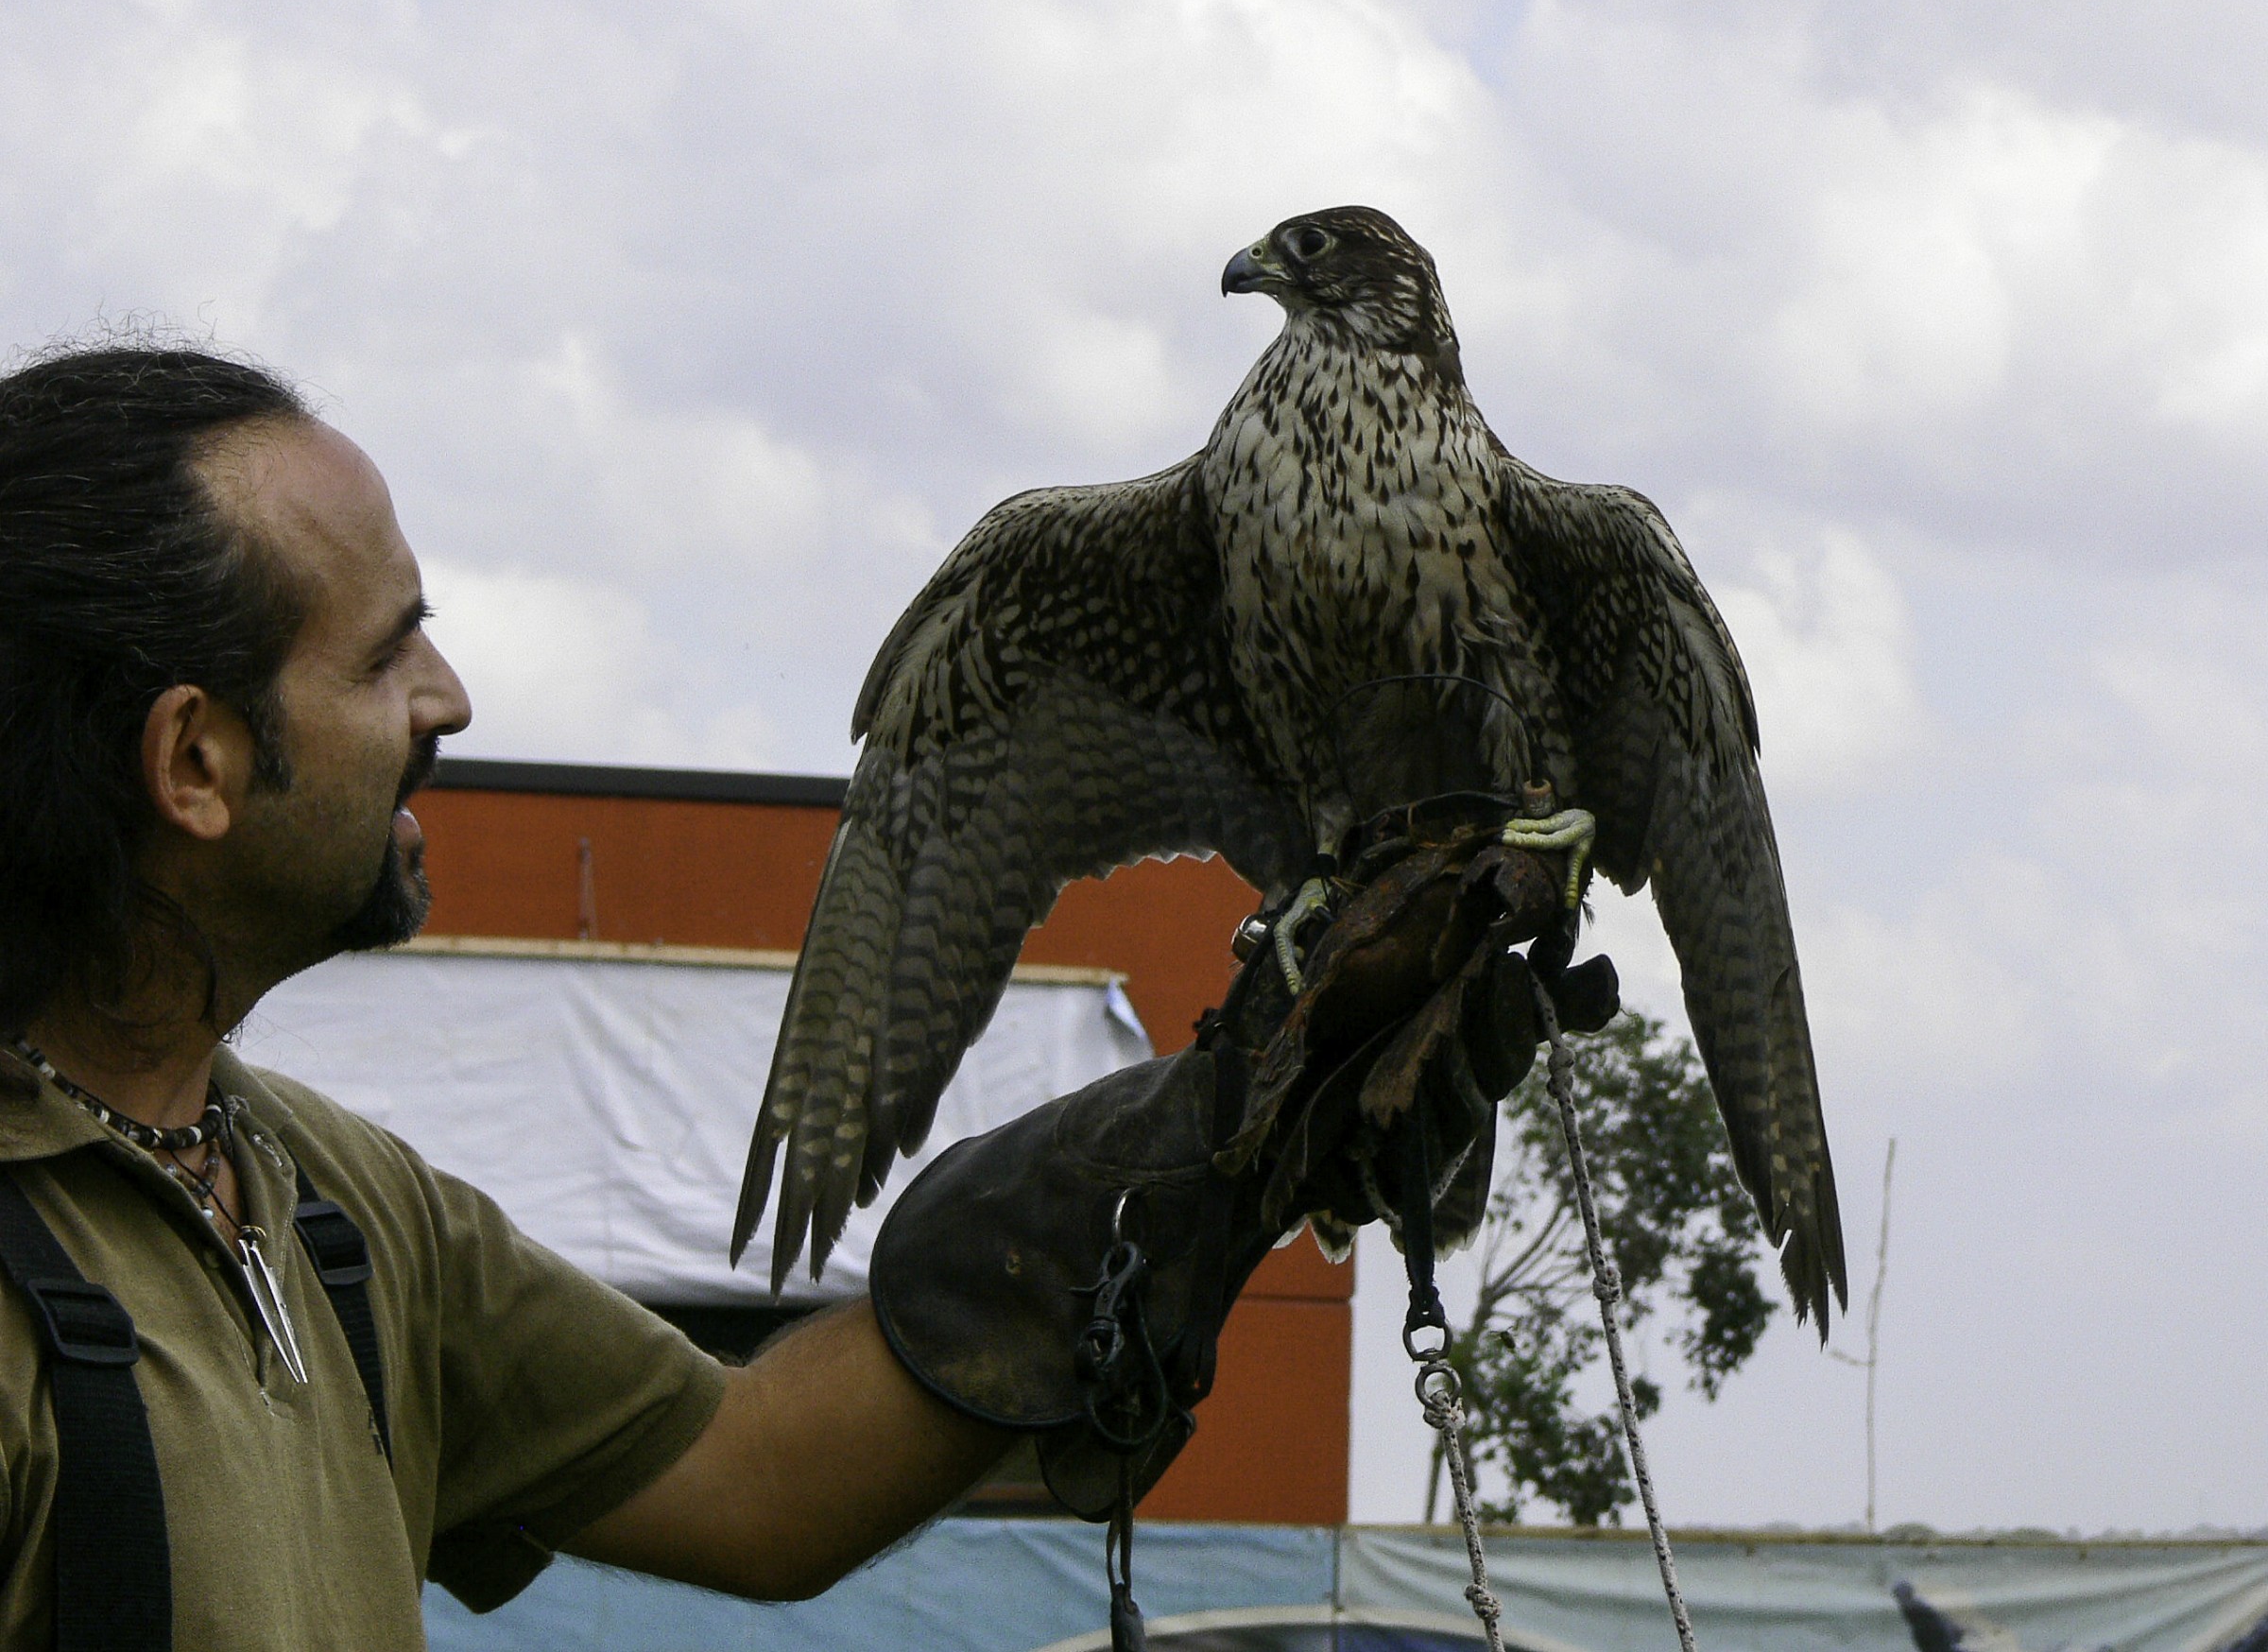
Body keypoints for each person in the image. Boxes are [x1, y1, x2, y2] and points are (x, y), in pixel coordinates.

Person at [0, 343, 1539, 1649]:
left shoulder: (334, 1211)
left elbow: (759, 1475)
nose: (449, 696)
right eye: (384, 651)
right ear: (193, 762)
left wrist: (1236, 1113)